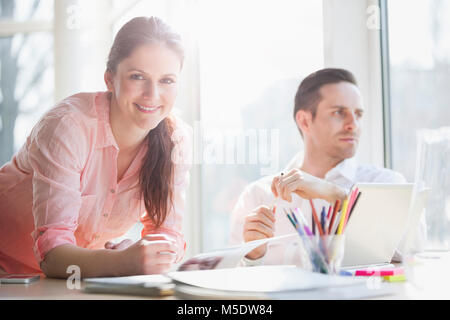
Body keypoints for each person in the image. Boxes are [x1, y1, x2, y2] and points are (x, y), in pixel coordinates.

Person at [0, 17, 192, 278]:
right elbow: (52, 253)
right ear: (110, 80)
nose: (152, 94)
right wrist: (122, 261)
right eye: (138, 77)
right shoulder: (68, 126)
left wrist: (142, 253)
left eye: (167, 80)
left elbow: (168, 234)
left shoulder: (175, 139)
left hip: (70, 280)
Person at [230, 68, 418, 265]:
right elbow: (231, 278)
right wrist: (253, 257)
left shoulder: (387, 184)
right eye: (339, 112)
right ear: (304, 121)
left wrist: (337, 195)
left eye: (358, 114)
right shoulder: (257, 196)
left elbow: (412, 253)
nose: (353, 125)